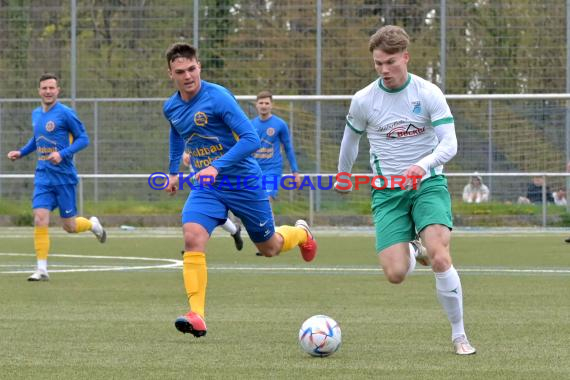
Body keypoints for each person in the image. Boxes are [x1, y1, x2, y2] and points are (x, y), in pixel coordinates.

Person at [334, 25, 476, 355]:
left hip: (427, 184)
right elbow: (350, 139)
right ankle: (414, 249)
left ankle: (460, 336)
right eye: (378, 63)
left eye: (391, 62)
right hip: (387, 193)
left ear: (406, 58)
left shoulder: (428, 93)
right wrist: (342, 174)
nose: (384, 70)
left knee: (441, 257)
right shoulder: (364, 100)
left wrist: (422, 165)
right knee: (396, 273)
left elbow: (450, 144)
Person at [162, 42, 317, 338]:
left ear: (200, 67)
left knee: (269, 247)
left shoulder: (218, 97)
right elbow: (176, 134)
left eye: (192, 69)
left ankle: (301, 233)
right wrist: (172, 172)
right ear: (170, 74)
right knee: (192, 236)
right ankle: (197, 314)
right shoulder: (171, 107)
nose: (188, 76)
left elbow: (250, 139)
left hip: (243, 181)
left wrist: (216, 166)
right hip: (208, 187)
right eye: (180, 71)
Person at [6, 73, 106, 281]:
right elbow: (36, 139)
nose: (48, 91)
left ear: (58, 90)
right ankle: (41, 269)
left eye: (52, 88)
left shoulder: (66, 114)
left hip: (64, 178)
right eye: (44, 88)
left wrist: (63, 154)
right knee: (40, 218)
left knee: (69, 226)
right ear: (39, 91)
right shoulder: (36, 114)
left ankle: (92, 225)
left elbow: (83, 139)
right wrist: (21, 152)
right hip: (43, 176)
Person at [182, 149, 243, 251]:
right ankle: (234, 231)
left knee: (209, 212)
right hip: (198, 177)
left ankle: (195, 243)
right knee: (204, 212)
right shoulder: (188, 135)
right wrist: (185, 155)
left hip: (219, 176)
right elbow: (186, 150)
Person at [251, 90, 301, 201]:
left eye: (267, 103)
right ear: (256, 104)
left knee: (266, 199)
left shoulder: (279, 124)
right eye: (261, 103)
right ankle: (268, 219)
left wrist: (295, 171)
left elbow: (288, 148)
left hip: (272, 170)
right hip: (254, 170)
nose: (264, 106)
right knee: (257, 205)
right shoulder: (251, 124)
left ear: (271, 105)